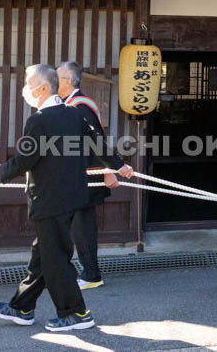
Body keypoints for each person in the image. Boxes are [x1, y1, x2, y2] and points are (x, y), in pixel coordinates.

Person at [0, 65, 132, 332]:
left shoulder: (39, 121)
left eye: (27, 82)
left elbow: (25, 159)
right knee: (42, 256)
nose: (25, 88)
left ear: (42, 88)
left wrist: (2, 171)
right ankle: (22, 307)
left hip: (49, 200)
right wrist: (119, 165)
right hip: (71, 197)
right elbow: (97, 142)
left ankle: (76, 313)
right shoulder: (74, 114)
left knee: (55, 260)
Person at [56, 60, 125, 290]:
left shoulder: (81, 105)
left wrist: (111, 170)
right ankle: (82, 272)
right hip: (75, 175)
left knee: (83, 227)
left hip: (88, 175)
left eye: (57, 77)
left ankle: (91, 274)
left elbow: (97, 143)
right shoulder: (67, 104)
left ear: (68, 81)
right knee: (74, 226)